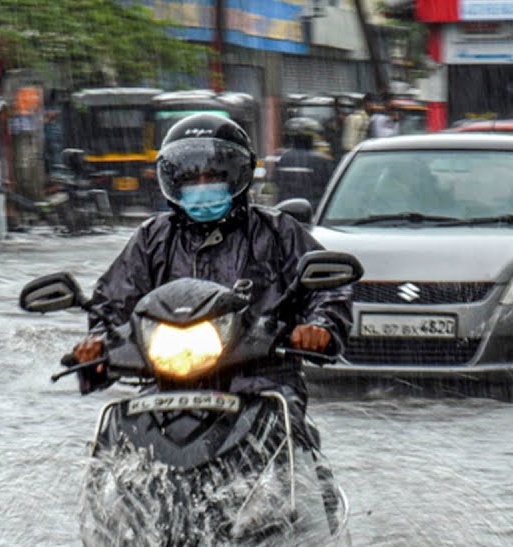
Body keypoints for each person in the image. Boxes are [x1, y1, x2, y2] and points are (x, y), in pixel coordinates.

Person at [71, 114, 352, 435]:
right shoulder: (151, 239)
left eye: (214, 176)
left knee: (290, 434)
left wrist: (318, 327)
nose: (203, 186)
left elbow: (328, 289)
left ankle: (309, 483)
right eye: (192, 178)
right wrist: (96, 343)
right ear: (174, 181)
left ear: (238, 175)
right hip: (166, 383)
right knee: (115, 437)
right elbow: (113, 303)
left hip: (261, 382)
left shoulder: (278, 232)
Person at [274, 117, 336, 209]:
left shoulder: (283, 157)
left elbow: (276, 181)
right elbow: (330, 184)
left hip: (286, 205)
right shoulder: (322, 159)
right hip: (313, 206)